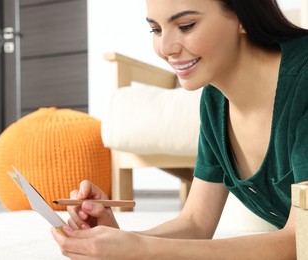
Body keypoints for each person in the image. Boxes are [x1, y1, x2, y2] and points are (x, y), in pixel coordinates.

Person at [51, 0, 308, 258]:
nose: (165, 49)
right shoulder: (215, 99)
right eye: (156, 30)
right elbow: (195, 223)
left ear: (243, 14)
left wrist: (140, 250)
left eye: (186, 26)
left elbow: (299, 240)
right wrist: (118, 239)